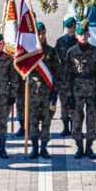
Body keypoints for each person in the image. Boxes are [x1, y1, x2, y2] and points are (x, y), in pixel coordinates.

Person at [65, 20, 96, 159]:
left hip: (92, 90)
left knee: (91, 120)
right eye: (80, 34)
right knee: (76, 119)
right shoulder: (71, 52)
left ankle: (89, 147)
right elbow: (67, 75)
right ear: (76, 35)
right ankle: (79, 147)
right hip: (77, 91)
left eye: (85, 34)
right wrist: (68, 94)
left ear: (89, 34)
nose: (83, 36)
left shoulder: (95, 51)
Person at [28, 22, 61, 159]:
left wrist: (55, 93)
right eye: (37, 34)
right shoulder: (29, 52)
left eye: (42, 33)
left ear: (45, 33)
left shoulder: (51, 52)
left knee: (46, 122)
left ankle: (44, 148)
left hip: (48, 94)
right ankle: (34, 148)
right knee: (33, 122)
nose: (40, 36)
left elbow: (57, 74)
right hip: (32, 93)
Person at [55, 17, 77, 137]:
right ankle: (65, 128)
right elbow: (54, 57)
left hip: (75, 79)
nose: (71, 30)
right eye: (69, 28)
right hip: (63, 79)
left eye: (73, 28)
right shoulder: (60, 42)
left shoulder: (79, 42)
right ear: (65, 28)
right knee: (64, 105)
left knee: (74, 105)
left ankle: (74, 128)